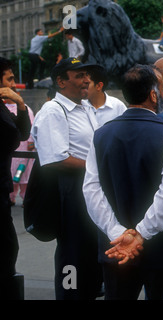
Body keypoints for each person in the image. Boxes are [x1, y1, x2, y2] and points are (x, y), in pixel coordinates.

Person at [83, 64, 163, 300]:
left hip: (115, 247)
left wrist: (118, 232)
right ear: (154, 95)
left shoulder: (101, 134)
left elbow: (92, 191)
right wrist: (140, 234)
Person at [31, 57, 102, 300]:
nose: (87, 80)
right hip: (70, 190)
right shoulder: (53, 111)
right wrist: (98, 168)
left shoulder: (86, 107)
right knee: (72, 253)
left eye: (87, 75)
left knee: (89, 251)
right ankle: (70, 295)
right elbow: (56, 160)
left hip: (88, 187)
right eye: (80, 75)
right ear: (61, 81)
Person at [0, 57, 31, 300]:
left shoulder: (5, 104)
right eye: (10, 79)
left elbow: (23, 133)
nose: (14, 83)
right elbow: (12, 138)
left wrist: (19, 104)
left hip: (8, 176)